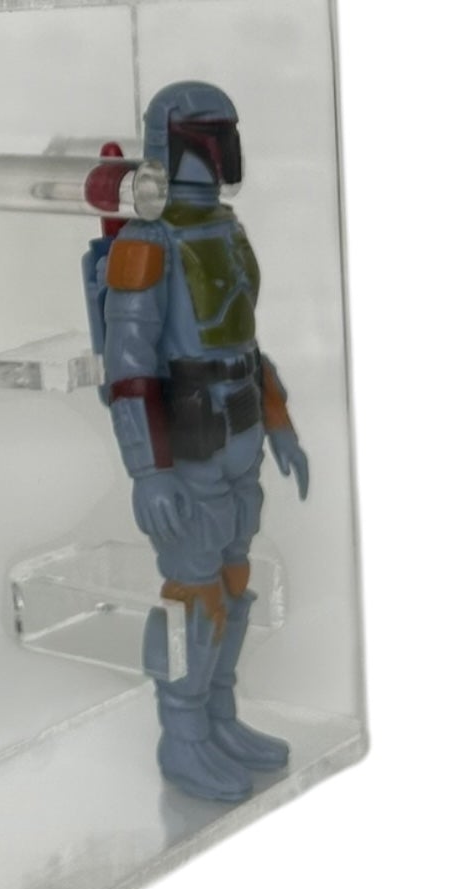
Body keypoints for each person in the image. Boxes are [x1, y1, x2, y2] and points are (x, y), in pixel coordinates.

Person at [95, 81, 310, 802]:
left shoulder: (226, 229)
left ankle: (219, 715)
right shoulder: (144, 244)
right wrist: (147, 471)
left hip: (238, 433)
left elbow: (247, 346)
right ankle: (182, 734)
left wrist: (279, 424)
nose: (221, 151)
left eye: (224, 134)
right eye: (210, 136)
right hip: (187, 447)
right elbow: (128, 373)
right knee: (193, 595)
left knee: (234, 583)